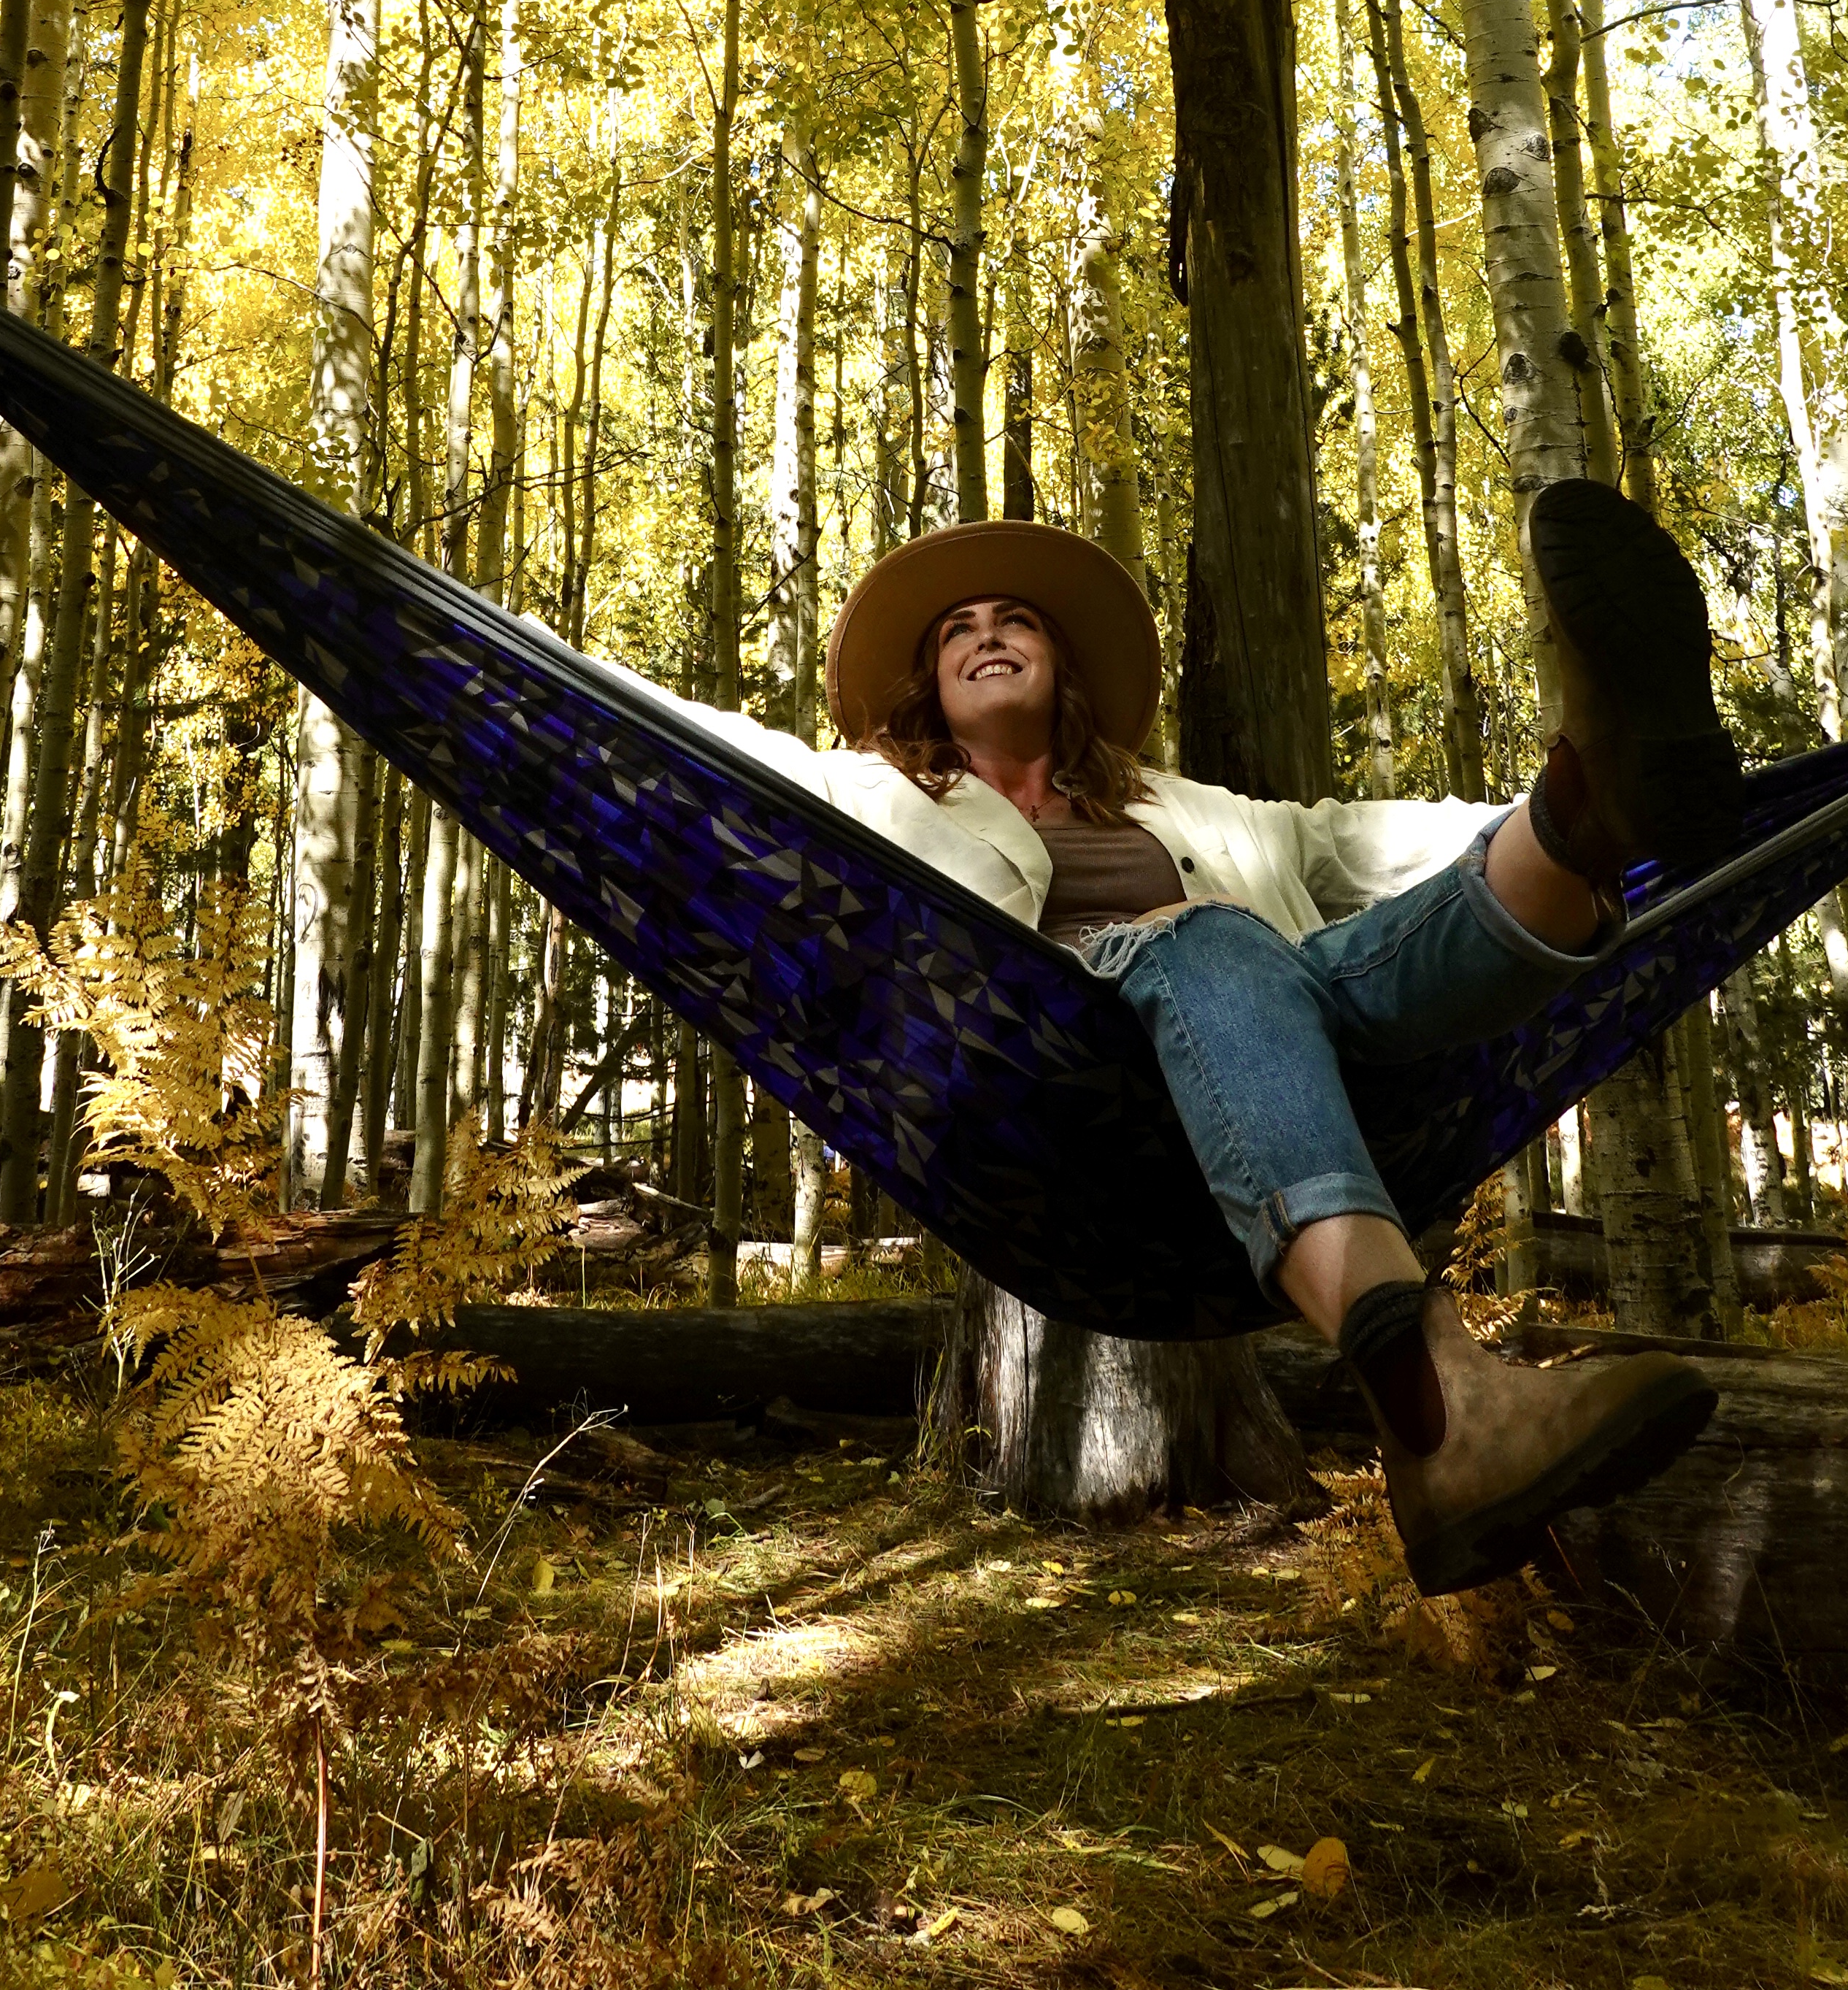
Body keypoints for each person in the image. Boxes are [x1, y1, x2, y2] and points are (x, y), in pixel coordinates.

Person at [692, 483, 1741, 1597]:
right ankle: (1442, 1396)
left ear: (1062, 668)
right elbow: (710, 754)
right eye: (958, 628)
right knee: (1209, 938)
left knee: (1341, 939)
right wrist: (502, 660)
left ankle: (1591, 803)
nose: (988, 633)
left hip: (1278, 1037)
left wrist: (1527, 819)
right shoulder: (875, 794)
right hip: (1051, 1088)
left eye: (1017, 619)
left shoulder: (1194, 811)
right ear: (929, 687)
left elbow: (1363, 845)